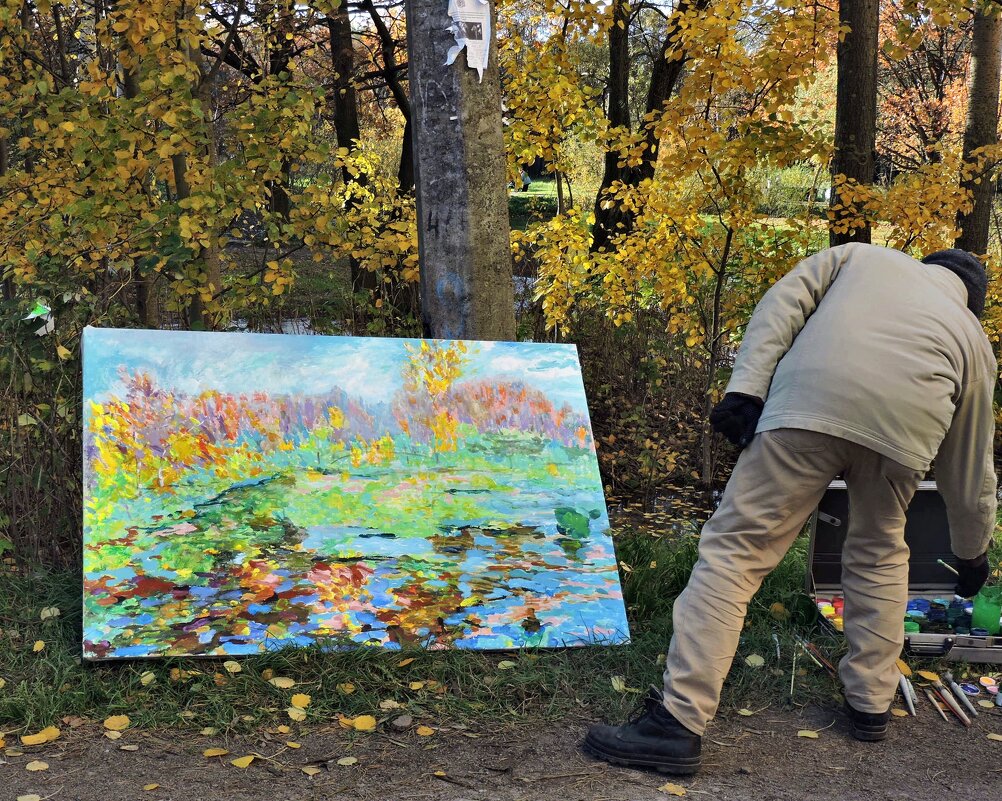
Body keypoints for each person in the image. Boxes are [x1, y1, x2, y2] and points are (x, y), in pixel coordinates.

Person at [583, 243, 998, 775]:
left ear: (927, 267)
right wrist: (970, 551)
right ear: (972, 300)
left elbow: (784, 303)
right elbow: (972, 466)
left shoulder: (862, 259)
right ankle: (871, 702)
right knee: (879, 552)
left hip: (810, 403)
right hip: (905, 435)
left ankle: (676, 723)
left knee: (737, 553)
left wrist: (746, 391)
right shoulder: (972, 338)